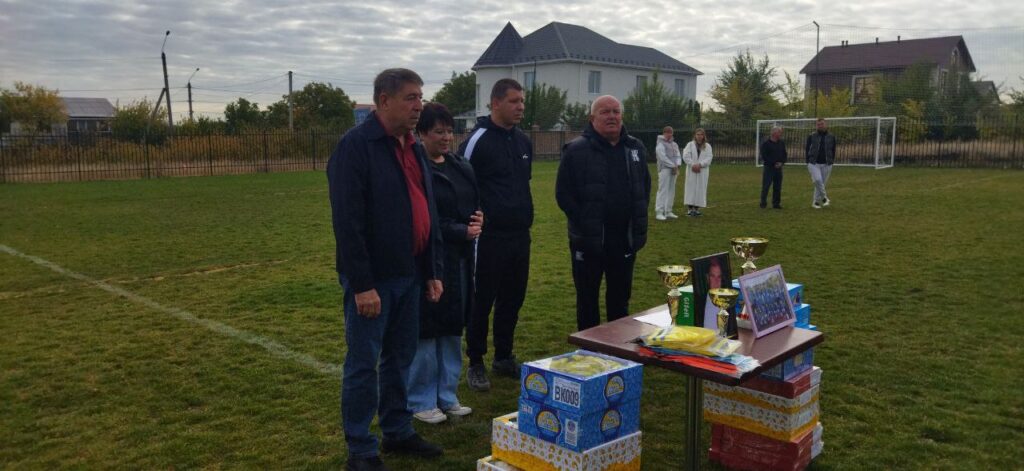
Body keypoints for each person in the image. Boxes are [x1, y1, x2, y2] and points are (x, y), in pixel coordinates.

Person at [327, 68, 444, 471]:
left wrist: (432, 269)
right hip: (373, 280)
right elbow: (348, 222)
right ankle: (360, 449)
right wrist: (362, 285)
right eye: (411, 97)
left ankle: (397, 430)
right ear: (383, 101)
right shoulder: (356, 147)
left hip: (409, 274)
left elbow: (426, 209)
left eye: (420, 97)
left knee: (400, 358)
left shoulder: (413, 147)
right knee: (364, 364)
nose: (419, 106)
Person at [406, 103, 480, 424]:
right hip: (428, 260)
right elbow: (425, 218)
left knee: (452, 327)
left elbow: (474, 202)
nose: (446, 137)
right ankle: (421, 400)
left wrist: (477, 220)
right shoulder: (415, 169)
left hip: (459, 259)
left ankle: (447, 396)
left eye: (449, 131)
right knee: (427, 330)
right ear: (421, 133)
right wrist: (460, 231)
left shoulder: (460, 166)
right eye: (438, 131)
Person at [458, 79, 533, 392]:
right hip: (488, 237)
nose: (520, 107)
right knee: (481, 299)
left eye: (522, 101)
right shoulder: (477, 140)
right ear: (496, 103)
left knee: (512, 298)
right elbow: (459, 183)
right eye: (514, 101)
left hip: (520, 235)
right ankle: (475, 361)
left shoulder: (523, 141)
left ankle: (503, 356)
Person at [556, 95, 651, 331]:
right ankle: (589, 349)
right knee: (587, 301)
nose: (612, 116)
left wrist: (635, 222)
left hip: (624, 240)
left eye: (616, 111)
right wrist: (585, 223)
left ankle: (616, 346)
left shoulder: (635, 148)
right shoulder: (576, 150)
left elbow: (644, 188)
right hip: (589, 242)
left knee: (620, 300)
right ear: (592, 118)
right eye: (605, 112)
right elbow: (563, 194)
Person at [681, 128, 714, 217]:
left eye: (701, 135)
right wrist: (693, 165)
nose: (699, 136)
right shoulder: (690, 145)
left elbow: (709, 158)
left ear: (704, 136)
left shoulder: (707, 146)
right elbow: (685, 156)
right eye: (698, 134)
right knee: (690, 188)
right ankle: (689, 209)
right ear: (695, 135)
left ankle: (696, 209)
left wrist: (700, 165)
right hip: (691, 170)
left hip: (702, 170)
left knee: (700, 189)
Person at [806, 117, 837, 209]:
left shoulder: (831, 136)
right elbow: (807, 149)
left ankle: (815, 202)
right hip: (813, 163)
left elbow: (833, 149)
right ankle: (824, 198)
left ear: (826, 125)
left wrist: (831, 161)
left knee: (821, 184)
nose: (820, 126)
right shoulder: (811, 136)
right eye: (818, 124)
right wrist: (807, 161)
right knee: (817, 180)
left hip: (827, 164)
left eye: (822, 124)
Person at [654, 126, 681, 221]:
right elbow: (662, 157)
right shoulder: (660, 144)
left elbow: (678, 155)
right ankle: (659, 212)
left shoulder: (674, 144)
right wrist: (673, 165)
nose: (669, 134)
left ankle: (668, 211)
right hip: (664, 169)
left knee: (671, 189)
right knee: (663, 190)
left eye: (671, 132)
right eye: (667, 132)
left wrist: (678, 165)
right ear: (664, 133)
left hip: (674, 169)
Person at [760, 126, 787, 209]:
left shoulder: (781, 143)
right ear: (774, 133)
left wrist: (782, 162)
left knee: (777, 186)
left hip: (779, 168)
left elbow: (784, 154)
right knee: (766, 186)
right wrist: (773, 163)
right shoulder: (766, 144)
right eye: (779, 132)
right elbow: (764, 156)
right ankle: (763, 203)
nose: (781, 134)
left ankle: (776, 203)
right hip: (769, 168)